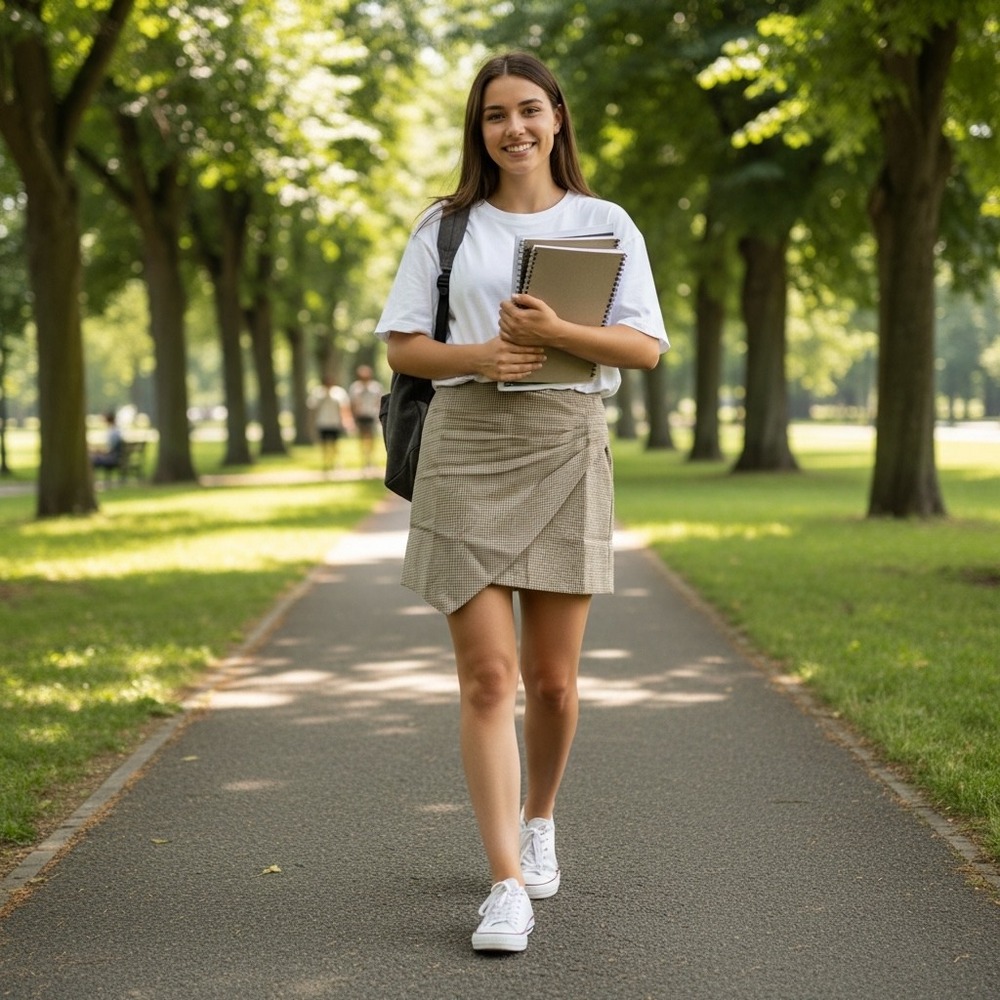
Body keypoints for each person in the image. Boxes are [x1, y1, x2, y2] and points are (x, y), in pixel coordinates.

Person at [374, 52, 668, 953]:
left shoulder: (603, 221)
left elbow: (645, 347)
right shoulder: (446, 226)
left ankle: (539, 819)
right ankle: (506, 884)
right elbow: (402, 346)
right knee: (488, 678)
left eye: (530, 110)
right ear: (480, 129)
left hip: (565, 441)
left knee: (553, 681)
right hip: (465, 443)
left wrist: (558, 331)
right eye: (496, 114)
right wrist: (480, 356)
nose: (515, 128)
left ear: (558, 117)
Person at [307, 375, 353, 471]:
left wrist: (346, 421)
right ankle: (326, 462)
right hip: (322, 422)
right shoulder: (317, 393)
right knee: (324, 444)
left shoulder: (339, 392)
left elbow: (344, 408)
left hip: (335, 422)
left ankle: (335, 462)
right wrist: (311, 423)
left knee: (334, 444)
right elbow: (312, 409)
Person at [347, 364, 383, 473]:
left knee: (371, 438)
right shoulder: (355, 387)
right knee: (362, 438)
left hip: (372, 415)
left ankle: (371, 459)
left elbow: (379, 402)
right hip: (361, 416)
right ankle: (364, 459)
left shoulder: (375, 387)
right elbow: (352, 404)